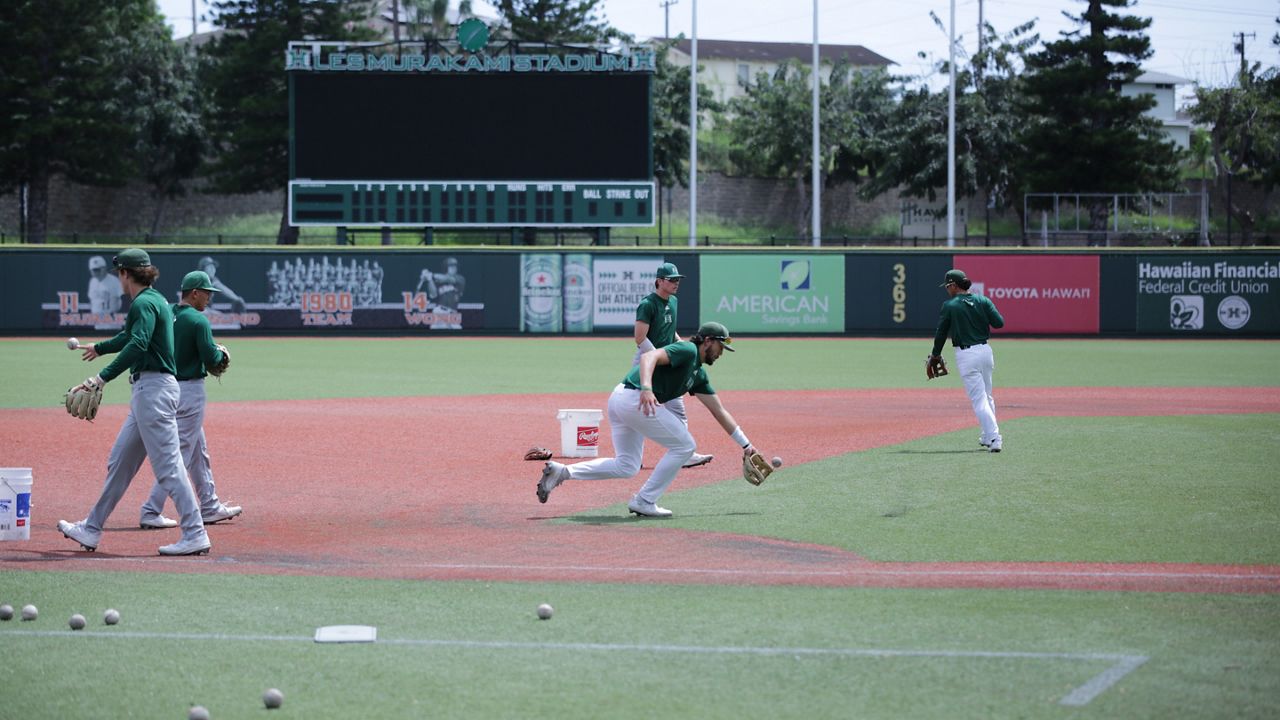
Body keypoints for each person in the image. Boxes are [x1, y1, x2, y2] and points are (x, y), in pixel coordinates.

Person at [57, 249, 212, 556]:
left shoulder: (143, 303)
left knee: (168, 466)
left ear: (126, 274)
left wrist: (99, 378)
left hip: (153, 390)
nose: (118, 280)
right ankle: (91, 528)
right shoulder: (155, 300)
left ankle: (195, 532)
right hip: (152, 390)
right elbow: (131, 336)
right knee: (120, 462)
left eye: (119, 274)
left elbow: (138, 343)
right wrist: (100, 348)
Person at [536, 321, 763, 517]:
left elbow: (718, 411)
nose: (721, 353)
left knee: (627, 466)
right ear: (708, 341)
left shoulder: (699, 374)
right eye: (720, 346)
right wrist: (646, 388)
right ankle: (644, 500)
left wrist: (746, 445)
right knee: (685, 446)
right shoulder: (688, 350)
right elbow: (649, 356)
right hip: (634, 397)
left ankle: (562, 472)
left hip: (622, 399)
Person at [136, 271, 243, 529]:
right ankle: (151, 509)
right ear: (194, 293)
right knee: (181, 453)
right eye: (206, 293)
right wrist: (221, 357)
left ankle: (209, 505)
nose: (209, 298)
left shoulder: (167, 312)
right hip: (190, 391)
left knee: (197, 451)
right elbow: (210, 358)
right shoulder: (198, 320)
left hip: (166, 388)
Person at [633, 262, 713, 469]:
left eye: (678, 279)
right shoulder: (648, 304)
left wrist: (680, 345)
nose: (676, 283)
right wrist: (657, 357)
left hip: (669, 360)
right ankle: (633, 457)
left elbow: (670, 331)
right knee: (639, 409)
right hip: (647, 359)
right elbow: (640, 338)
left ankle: (686, 454)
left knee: (678, 410)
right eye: (672, 279)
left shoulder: (674, 301)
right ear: (659, 281)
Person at [929, 269, 1006, 453]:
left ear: (954, 285)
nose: (947, 290)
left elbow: (941, 333)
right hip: (986, 351)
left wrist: (935, 355)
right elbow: (999, 323)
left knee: (979, 400)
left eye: (948, 286)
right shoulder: (983, 300)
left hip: (966, 355)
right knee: (987, 396)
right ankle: (987, 436)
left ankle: (995, 437)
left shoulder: (950, 305)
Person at [87, 255, 123, 330]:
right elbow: (92, 301)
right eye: (94, 270)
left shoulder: (113, 281)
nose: (96, 272)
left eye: (98, 270)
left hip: (111, 322)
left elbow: (116, 301)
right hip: (98, 321)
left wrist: (108, 316)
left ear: (104, 268)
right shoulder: (92, 281)